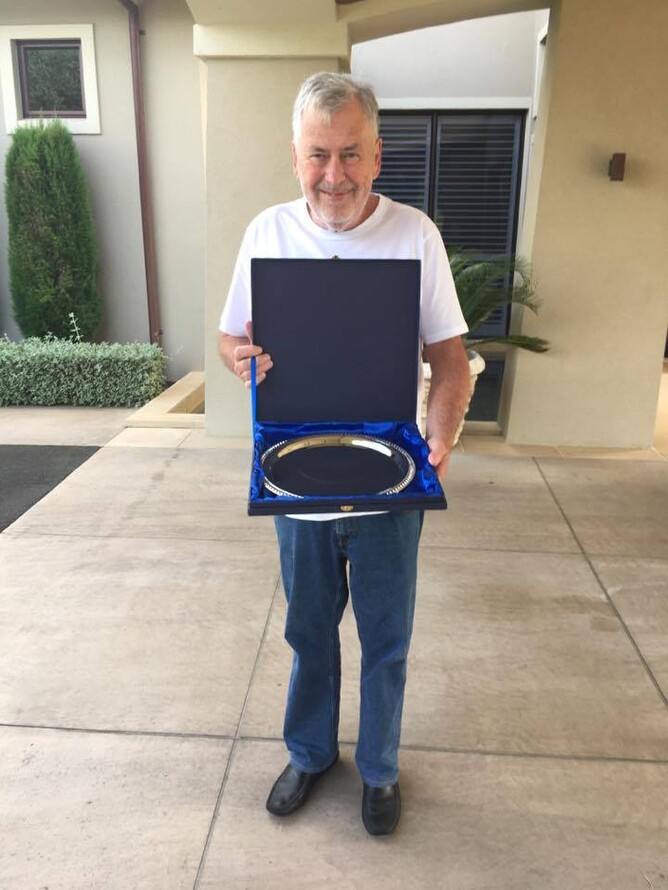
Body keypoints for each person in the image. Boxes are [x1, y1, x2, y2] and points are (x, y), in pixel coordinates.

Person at [218, 72, 470, 836]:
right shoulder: (266, 232)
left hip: (391, 479)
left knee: (386, 639)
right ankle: (310, 752)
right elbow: (234, 336)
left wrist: (442, 438)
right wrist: (240, 358)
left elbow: (451, 362)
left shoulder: (414, 234)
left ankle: (381, 769)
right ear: (295, 158)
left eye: (351, 153)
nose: (335, 174)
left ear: (377, 155)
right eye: (319, 155)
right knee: (308, 631)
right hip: (295, 473)